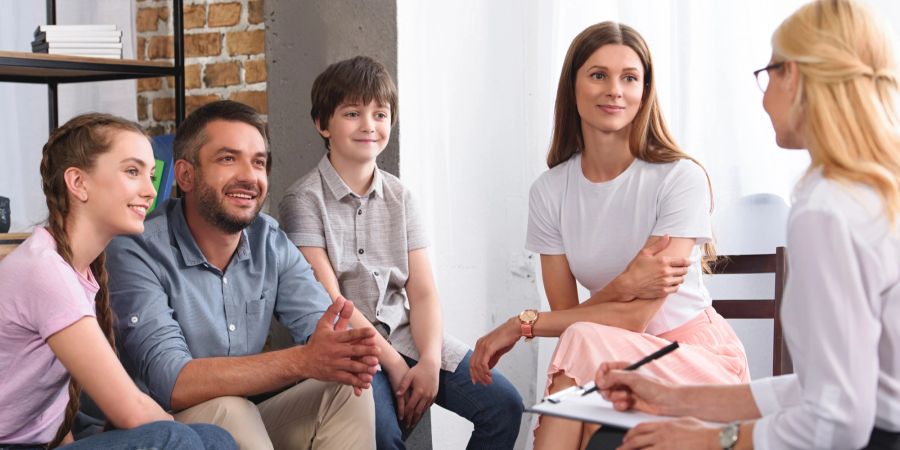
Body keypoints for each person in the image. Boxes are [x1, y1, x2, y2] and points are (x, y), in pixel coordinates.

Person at [593, 1, 900, 449]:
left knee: (614, 440)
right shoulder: (869, 194)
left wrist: (715, 440)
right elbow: (829, 387)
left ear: (792, 75)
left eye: (769, 72)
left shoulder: (826, 211)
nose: (763, 93)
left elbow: (837, 422)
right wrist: (674, 398)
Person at [469, 21, 750, 449]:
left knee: (582, 345)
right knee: (582, 346)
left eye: (629, 78)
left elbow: (634, 318)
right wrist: (624, 285)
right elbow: (569, 316)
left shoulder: (680, 178)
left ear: (644, 90)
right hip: (608, 357)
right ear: (573, 85)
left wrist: (520, 326)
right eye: (599, 75)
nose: (615, 89)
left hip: (694, 360)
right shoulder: (550, 192)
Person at [278, 55, 525, 450]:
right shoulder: (302, 200)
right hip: (349, 347)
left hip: (408, 336)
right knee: (382, 435)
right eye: (352, 113)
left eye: (380, 114)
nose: (368, 126)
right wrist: (392, 364)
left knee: (504, 405)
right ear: (323, 124)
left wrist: (428, 362)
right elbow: (332, 302)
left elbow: (423, 292)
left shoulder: (401, 196)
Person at [106, 100, 380, 450]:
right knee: (232, 411)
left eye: (258, 162)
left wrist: (340, 351)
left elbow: (324, 333)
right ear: (185, 175)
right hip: (158, 431)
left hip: (245, 420)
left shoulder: (270, 240)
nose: (249, 177)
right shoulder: (137, 247)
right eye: (227, 158)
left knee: (346, 392)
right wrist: (303, 360)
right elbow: (170, 381)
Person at [0, 113, 236, 449]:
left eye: (151, 175)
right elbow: (130, 412)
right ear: (78, 183)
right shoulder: (44, 271)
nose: (149, 190)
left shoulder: (76, 270)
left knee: (215, 438)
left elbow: (49, 411)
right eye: (132, 171)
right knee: (175, 438)